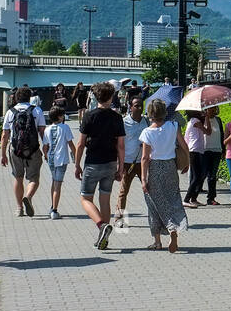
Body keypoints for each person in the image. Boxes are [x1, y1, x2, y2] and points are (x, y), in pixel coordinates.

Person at [74, 81, 124, 249]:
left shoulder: (89, 116)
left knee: (85, 198)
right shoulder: (117, 117)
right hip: (110, 163)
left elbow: (80, 144)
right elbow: (121, 145)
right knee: (105, 199)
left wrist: (76, 164)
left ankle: (102, 226)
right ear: (112, 96)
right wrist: (121, 168)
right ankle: (104, 239)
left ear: (95, 97)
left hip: (93, 162)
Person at [139, 99, 190, 251]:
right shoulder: (173, 126)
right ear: (164, 112)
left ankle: (159, 239)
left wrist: (143, 178)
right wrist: (187, 162)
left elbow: (145, 158)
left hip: (155, 169)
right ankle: (175, 229)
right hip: (170, 167)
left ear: (150, 114)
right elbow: (184, 146)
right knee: (173, 199)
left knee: (154, 204)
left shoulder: (147, 132)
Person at [0, 87, 48, 217]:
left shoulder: (10, 112)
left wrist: (3, 154)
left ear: (16, 98)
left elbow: (5, 135)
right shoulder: (37, 110)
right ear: (29, 97)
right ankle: (28, 196)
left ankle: (19, 208)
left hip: (15, 150)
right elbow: (42, 131)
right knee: (34, 179)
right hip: (33, 149)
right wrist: (46, 149)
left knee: (18, 178)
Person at [115, 96, 149, 225]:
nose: (139, 108)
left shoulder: (146, 121)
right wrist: (120, 163)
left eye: (141, 105)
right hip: (128, 161)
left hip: (143, 162)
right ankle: (119, 218)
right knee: (124, 191)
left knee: (148, 189)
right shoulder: (124, 122)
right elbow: (119, 144)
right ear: (130, 107)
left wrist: (145, 145)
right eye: (136, 105)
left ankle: (155, 216)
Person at [43, 105, 76, 220]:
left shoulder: (47, 129)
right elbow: (71, 144)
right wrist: (75, 158)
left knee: (54, 182)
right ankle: (54, 211)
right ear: (60, 117)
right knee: (58, 185)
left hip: (51, 159)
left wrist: (46, 156)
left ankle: (52, 205)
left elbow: (45, 146)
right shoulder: (65, 127)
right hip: (61, 160)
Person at [199, 105, 224, 205]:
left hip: (217, 150)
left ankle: (211, 198)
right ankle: (193, 195)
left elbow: (221, 134)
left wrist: (223, 149)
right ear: (206, 110)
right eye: (210, 108)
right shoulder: (201, 120)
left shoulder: (218, 120)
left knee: (212, 176)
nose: (213, 110)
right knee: (202, 174)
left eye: (214, 108)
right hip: (205, 150)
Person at [183, 110, 207, 208]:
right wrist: (207, 118)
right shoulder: (196, 121)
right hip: (195, 150)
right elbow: (207, 131)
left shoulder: (191, 121)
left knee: (198, 175)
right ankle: (186, 199)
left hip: (195, 150)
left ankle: (194, 198)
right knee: (197, 176)